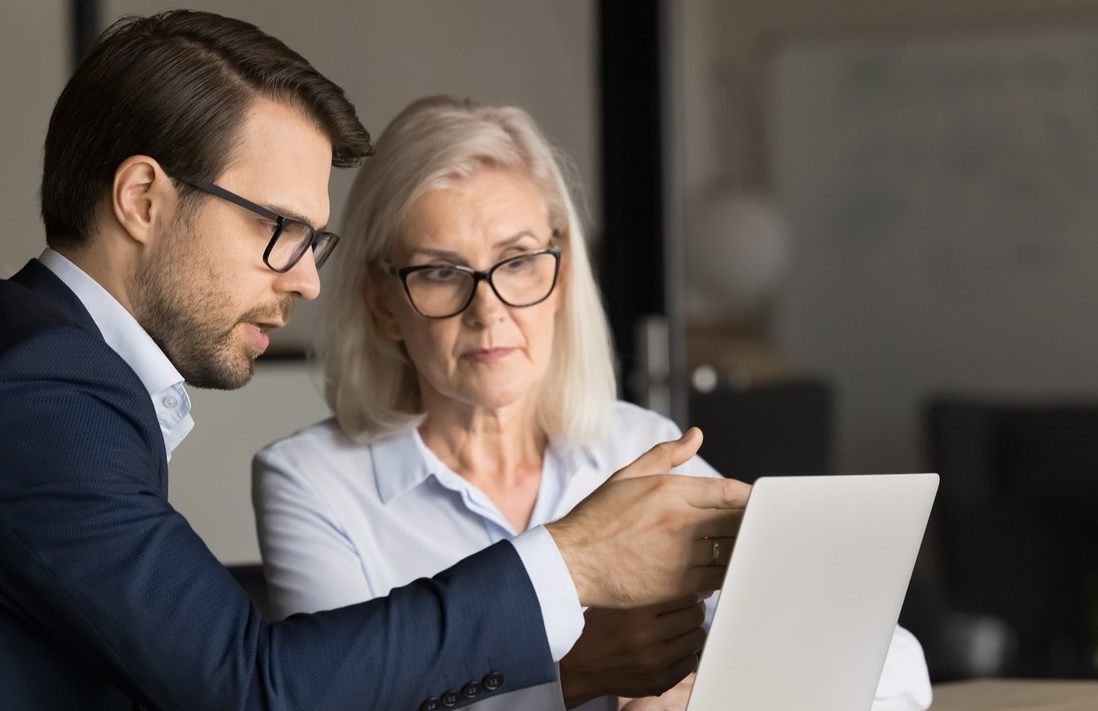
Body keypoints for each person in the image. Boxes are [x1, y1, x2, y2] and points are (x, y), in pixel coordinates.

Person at [0, 11, 750, 710]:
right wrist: (575, 560)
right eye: (278, 230)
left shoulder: (48, 366)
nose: (310, 281)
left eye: (316, 240)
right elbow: (254, 686)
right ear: (144, 198)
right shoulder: (37, 395)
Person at [252, 96, 934, 710]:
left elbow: (892, 665)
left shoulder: (640, 447)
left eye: (518, 260)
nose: (489, 311)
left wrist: (709, 697)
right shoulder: (312, 482)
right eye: (440, 271)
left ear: (562, 270)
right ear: (383, 302)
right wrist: (571, 680)